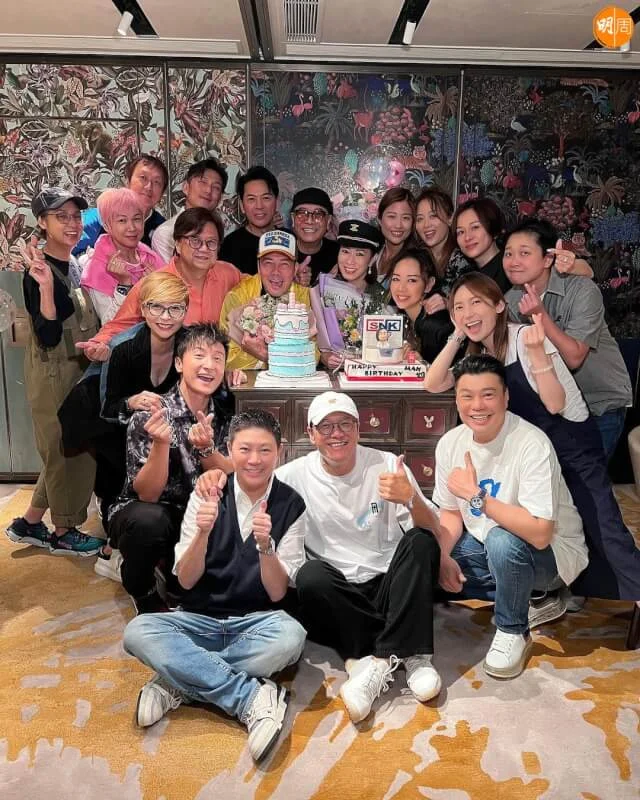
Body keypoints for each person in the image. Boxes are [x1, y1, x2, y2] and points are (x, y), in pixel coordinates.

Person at [425, 271, 640, 619]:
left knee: (603, 526)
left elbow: (555, 403)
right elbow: (433, 383)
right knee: (541, 528)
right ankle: (557, 591)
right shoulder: (479, 355)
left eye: (476, 302)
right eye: (459, 307)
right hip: (531, 453)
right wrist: (457, 334)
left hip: (571, 447)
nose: (467, 312)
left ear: (499, 305)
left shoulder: (525, 337)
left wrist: (539, 353)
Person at [122, 410, 307, 763]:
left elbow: (277, 593)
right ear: (229, 449)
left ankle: (179, 679)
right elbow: (186, 580)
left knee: (291, 638)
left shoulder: (292, 504)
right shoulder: (207, 492)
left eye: (265, 450)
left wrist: (266, 547)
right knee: (138, 631)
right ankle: (249, 696)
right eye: (245, 449)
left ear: (280, 451)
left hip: (258, 624)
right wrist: (203, 534)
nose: (254, 460)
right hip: (198, 619)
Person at [276, 391, 442, 724]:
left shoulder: (387, 465)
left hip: (386, 582)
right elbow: (287, 557)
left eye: (344, 424)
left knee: (422, 543)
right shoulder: (291, 477)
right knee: (309, 577)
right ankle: (407, 645)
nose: (336, 434)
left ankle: (375, 661)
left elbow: (432, 528)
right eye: (325, 426)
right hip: (340, 594)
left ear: (358, 428)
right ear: (310, 433)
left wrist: (411, 498)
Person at [432, 354, 588, 678]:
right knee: (425, 548)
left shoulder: (531, 444)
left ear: (506, 397)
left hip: (550, 556)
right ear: (456, 400)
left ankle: (513, 628)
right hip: (487, 546)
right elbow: (450, 513)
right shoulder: (450, 443)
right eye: (467, 396)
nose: (477, 406)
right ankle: (531, 597)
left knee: (501, 540)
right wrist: (442, 558)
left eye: (488, 395)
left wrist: (476, 495)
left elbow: (540, 533)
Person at [108, 324, 234, 613]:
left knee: (192, 594)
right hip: (151, 511)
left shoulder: (225, 417)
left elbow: (230, 478)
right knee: (148, 523)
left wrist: (207, 450)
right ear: (179, 363)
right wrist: (161, 443)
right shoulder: (151, 415)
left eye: (217, 358)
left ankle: (173, 575)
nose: (209, 365)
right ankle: (142, 587)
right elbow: (148, 495)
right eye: (199, 355)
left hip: (198, 516)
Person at [6, 188, 103, 556]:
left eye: (75, 216)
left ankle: (30, 522)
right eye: (61, 217)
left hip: (77, 367)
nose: (71, 223)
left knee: (67, 447)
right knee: (64, 451)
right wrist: (46, 287)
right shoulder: (38, 271)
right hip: (53, 372)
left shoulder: (73, 263)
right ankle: (64, 531)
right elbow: (47, 335)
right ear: (43, 223)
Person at [503, 218, 633, 459]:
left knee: (588, 478)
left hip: (599, 404)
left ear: (547, 259)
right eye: (508, 254)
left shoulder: (582, 290)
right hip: (552, 407)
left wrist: (540, 315)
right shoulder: (510, 300)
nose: (513, 261)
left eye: (524, 253)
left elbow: (574, 358)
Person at [77, 208, 242, 361]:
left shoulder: (228, 273)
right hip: (169, 373)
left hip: (216, 369)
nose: (204, 248)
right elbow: (120, 324)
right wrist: (99, 344)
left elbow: (252, 288)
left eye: (211, 242)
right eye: (195, 241)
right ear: (177, 244)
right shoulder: (155, 283)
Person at [219, 230, 315, 371]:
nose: (275, 272)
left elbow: (315, 354)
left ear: (295, 268)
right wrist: (255, 353)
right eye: (268, 263)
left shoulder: (307, 297)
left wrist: (266, 355)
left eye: (284, 264)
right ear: (258, 266)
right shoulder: (237, 296)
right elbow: (224, 357)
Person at [310, 219, 387, 370]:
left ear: (373, 259)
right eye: (345, 251)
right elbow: (308, 337)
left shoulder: (381, 297)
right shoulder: (323, 288)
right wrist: (323, 356)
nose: (350, 261)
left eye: (359, 254)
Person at [80, 188, 165, 323]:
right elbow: (109, 324)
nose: (132, 227)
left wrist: (156, 287)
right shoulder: (97, 267)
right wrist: (124, 286)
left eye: (137, 219)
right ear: (107, 226)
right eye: (122, 221)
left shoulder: (149, 257)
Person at [75, 154, 168, 255]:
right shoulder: (99, 218)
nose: (149, 187)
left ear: (162, 193)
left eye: (157, 182)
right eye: (143, 177)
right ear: (127, 181)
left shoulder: (163, 230)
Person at [152, 158, 228, 263]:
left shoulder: (219, 233)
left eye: (216, 187)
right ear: (186, 187)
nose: (208, 190)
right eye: (203, 182)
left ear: (220, 198)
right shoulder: (166, 233)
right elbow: (169, 272)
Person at [388, 246, 453, 363]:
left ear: (429, 284)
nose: (401, 288)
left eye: (411, 280)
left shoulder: (434, 325)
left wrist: (421, 364)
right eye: (396, 279)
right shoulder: (403, 319)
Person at [414, 186, 473, 298]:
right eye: (420, 219)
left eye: (433, 216)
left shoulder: (461, 261)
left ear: (450, 218)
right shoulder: (417, 258)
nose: (426, 225)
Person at [220, 166, 280, 274]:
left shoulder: (289, 240)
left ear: (277, 201)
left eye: (266, 198)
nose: (259, 206)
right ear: (242, 205)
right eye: (251, 199)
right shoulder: (229, 246)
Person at [452, 198, 511, 293]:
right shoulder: (466, 275)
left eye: (475, 227)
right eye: (461, 232)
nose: (467, 237)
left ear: (493, 227)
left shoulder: (510, 271)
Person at [289, 187, 338, 286]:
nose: (309, 220)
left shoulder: (339, 255)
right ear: (293, 219)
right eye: (302, 213)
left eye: (318, 214)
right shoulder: (279, 249)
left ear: (328, 221)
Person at [373, 188, 417, 288]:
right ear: (379, 219)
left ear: (413, 222)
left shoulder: (415, 261)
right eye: (392, 216)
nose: (398, 225)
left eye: (405, 218)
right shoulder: (373, 251)